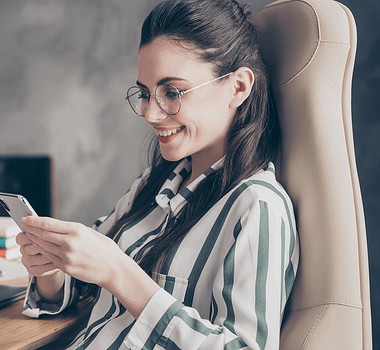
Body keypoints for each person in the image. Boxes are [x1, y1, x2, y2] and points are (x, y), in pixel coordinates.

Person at [15, 0, 299, 349]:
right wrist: (50, 265)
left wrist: (121, 275)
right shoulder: (153, 185)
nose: (150, 113)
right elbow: (83, 283)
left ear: (238, 87)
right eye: (146, 94)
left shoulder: (257, 206)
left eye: (172, 92)